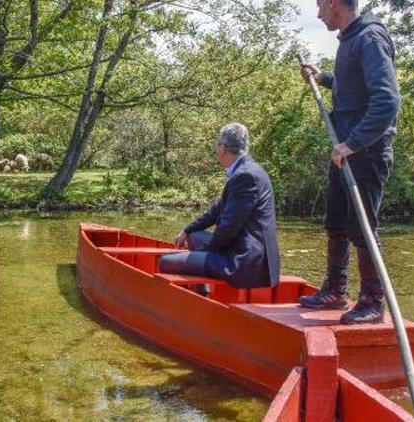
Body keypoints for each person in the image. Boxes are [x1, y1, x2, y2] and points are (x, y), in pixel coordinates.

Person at [298, 0, 401, 324]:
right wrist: (324, 78)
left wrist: (353, 144)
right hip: (343, 149)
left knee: (362, 229)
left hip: (364, 152)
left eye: (319, 7)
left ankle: (372, 302)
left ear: (332, 3)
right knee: (336, 222)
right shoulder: (350, 39)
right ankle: (335, 292)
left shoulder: (370, 37)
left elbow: (387, 101)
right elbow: (353, 89)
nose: (317, 15)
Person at [158, 123, 280, 290]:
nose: (216, 150)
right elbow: (216, 211)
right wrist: (187, 230)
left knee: (165, 262)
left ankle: (201, 300)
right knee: (194, 236)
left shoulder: (245, 175)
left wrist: (203, 252)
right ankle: (203, 292)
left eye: (217, 145)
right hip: (243, 251)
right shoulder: (248, 170)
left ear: (223, 148)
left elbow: (229, 227)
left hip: (245, 263)